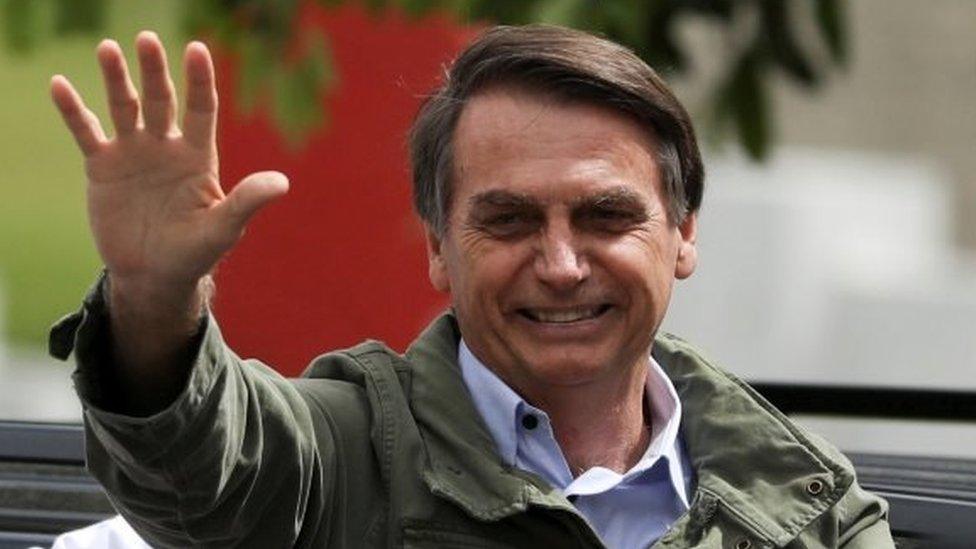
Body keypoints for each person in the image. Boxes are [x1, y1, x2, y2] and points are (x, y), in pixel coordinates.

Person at [48, 25, 894, 548]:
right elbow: (204, 470)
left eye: (605, 216)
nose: (562, 264)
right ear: (438, 250)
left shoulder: (807, 507)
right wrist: (156, 295)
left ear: (683, 233)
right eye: (511, 221)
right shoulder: (341, 456)